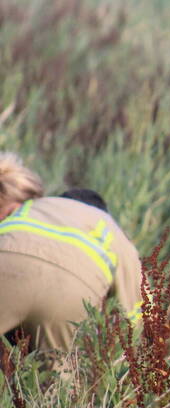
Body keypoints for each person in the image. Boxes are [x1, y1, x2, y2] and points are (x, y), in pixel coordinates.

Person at [0, 152, 143, 360]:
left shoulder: (39, 208)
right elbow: (137, 315)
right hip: (73, 288)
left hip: (10, 260)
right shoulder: (111, 230)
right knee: (58, 373)